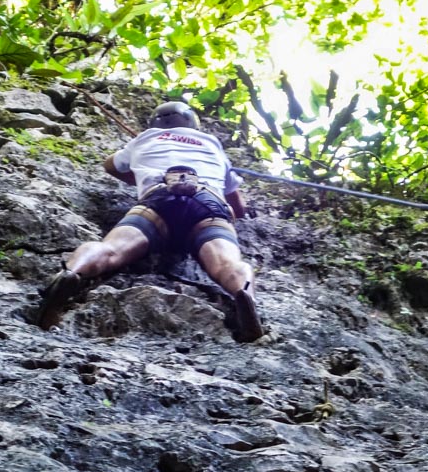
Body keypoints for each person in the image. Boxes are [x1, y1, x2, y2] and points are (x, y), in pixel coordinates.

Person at [35, 100, 264, 342]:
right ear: (192, 123)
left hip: (158, 198)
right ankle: (244, 293)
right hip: (208, 202)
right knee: (227, 263)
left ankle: (73, 272)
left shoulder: (146, 137)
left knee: (111, 250)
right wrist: (232, 219)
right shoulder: (212, 144)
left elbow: (110, 165)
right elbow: (235, 198)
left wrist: (141, 170)